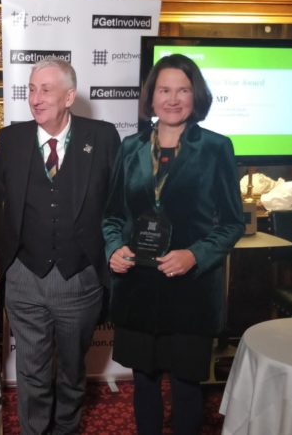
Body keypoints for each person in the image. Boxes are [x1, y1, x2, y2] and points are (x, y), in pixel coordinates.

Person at [102, 54, 244, 435]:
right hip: (137, 287)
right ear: (151, 98)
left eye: (183, 90)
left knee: (185, 386)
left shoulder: (216, 147)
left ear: (196, 96)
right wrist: (114, 248)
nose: (173, 98)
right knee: (143, 383)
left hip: (191, 292)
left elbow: (233, 223)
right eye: (164, 90)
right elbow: (113, 216)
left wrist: (194, 255)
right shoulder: (130, 147)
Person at [0, 57, 120, 434]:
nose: (35, 98)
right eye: (31, 89)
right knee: (31, 372)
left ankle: (66, 428)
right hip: (24, 277)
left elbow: (117, 203)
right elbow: (2, 208)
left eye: (45, 90)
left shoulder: (102, 138)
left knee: (71, 369)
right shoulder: (10, 139)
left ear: (69, 96)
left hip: (78, 278)